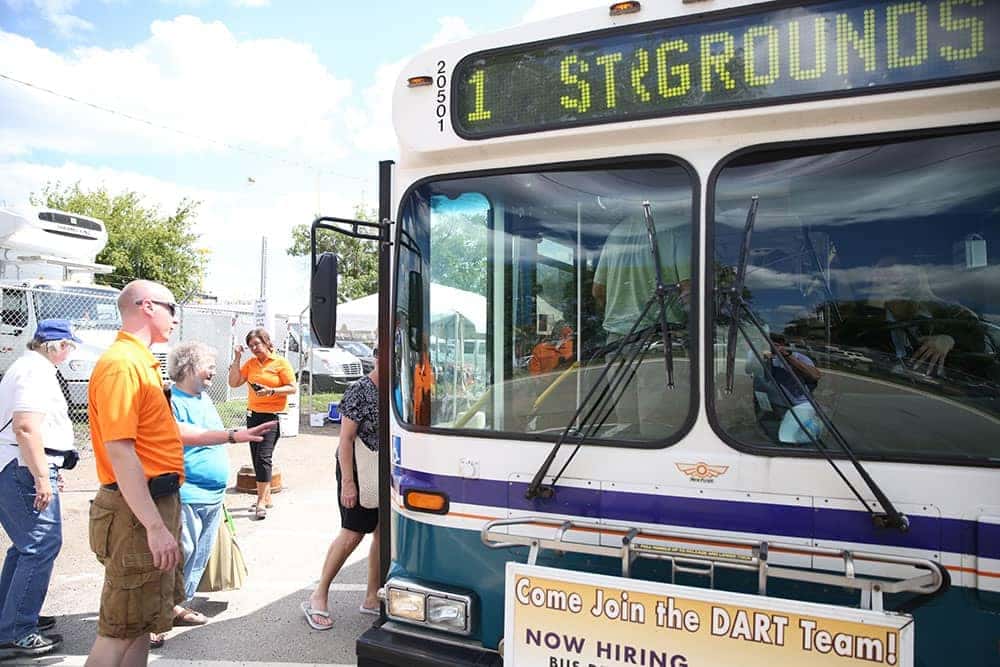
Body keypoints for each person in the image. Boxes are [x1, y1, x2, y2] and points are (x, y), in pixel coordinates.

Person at [84, 280, 186, 667]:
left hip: (148, 506)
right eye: (171, 307)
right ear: (146, 306)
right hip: (136, 512)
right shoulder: (122, 364)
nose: (175, 317)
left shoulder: (140, 361)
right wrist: (154, 526)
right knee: (118, 631)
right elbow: (120, 450)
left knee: (141, 622)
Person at [150, 342, 275, 648]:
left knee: (197, 557)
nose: (213, 372)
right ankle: (155, 617)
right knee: (180, 553)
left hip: (213, 496)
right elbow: (178, 435)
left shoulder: (204, 399)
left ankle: (177, 606)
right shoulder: (169, 400)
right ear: (191, 367)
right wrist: (234, 436)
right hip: (187, 493)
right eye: (209, 366)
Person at [0, 319, 80, 659]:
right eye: (68, 346)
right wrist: (41, 476)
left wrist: (49, 467)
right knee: (40, 544)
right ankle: (16, 628)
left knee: (26, 546)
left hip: (22, 465)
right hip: (22, 467)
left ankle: (12, 615)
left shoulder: (30, 367)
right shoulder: (35, 371)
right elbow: (26, 427)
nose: (69, 352)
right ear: (57, 346)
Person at [591, 210, 691, 435]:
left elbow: (597, 290)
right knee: (660, 430)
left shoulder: (615, 234)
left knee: (627, 428)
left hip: (616, 343)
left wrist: (619, 309)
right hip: (658, 343)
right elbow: (688, 289)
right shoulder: (675, 231)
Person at [303, 346, 380, 630]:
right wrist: (348, 483)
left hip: (384, 471)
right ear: (376, 356)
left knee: (382, 535)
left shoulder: (400, 388)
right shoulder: (360, 389)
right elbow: (345, 440)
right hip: (358, 469)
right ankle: (318, 595)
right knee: (352, 534)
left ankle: (372, 597)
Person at [227, 327, 295, 520]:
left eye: (257, 344)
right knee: (256, 456)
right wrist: (237, 358)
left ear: (267, 342)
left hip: (271, 416)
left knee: (264, 457)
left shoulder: (280, 363)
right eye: (250, 346)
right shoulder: (251, 363)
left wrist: (272, 391)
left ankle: (260, 502)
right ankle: (266, 497)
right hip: (253, 415)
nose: (254, 348)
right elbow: (234, 382)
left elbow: (292, 387)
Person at [747, 333, 823, 444]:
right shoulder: (755, 353)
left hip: (796, 405)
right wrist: (759, 358)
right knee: (768, 434)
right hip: (766, 402)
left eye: (777, 343)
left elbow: (815, 375)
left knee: (793, 438)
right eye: (769, 342)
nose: (772, 346)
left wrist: (786, 356)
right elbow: (748, 369)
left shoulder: (798, 357)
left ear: (784, 344)